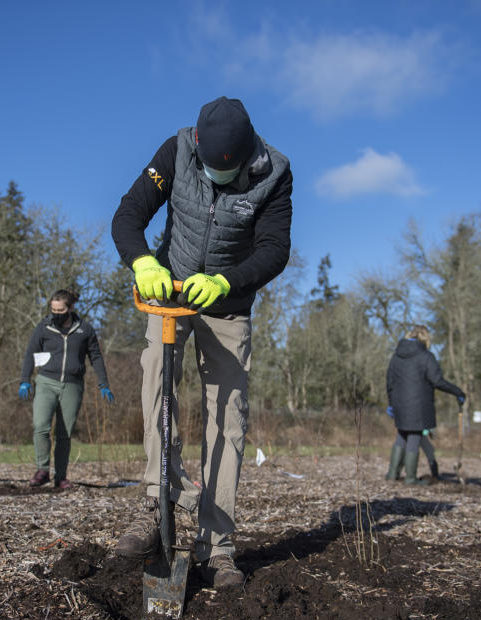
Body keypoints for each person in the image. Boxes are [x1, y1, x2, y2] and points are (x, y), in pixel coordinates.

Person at [109, 96, 292, 588]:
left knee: (227, 416)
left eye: (225, 173)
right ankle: (157, 502)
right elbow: (128, 214)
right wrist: (143, 262)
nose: (215, 179)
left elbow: (275, 251)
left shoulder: (275, 172)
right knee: (155, 383)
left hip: (227, 301)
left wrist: (227, 281)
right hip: (169, 291)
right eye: (209, 168)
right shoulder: (175, 150)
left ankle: (218, 543)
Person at [19, 289, 114, 489]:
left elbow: (95, 357)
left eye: (60, 310)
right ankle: (42, 470)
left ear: (70, 308)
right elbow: (30, 353)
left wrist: (103, 383)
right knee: (41, 426)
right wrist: (25, 379)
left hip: (72, 386)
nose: (56, 313)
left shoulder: (85, 330)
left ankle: (60, 477)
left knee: (64, 434)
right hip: (46, 382)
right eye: (53, 309)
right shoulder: (44, 327)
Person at [385, 325, 465, 485]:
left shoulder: (396, 356)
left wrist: (392, 404)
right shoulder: (426, 357)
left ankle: (392, 474)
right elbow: (437, 381)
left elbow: (389, 382)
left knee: (401, 435)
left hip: (399, 404)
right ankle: (410, 478)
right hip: (418, 406)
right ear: (425, 338)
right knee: (414, 436)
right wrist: (458, 392)